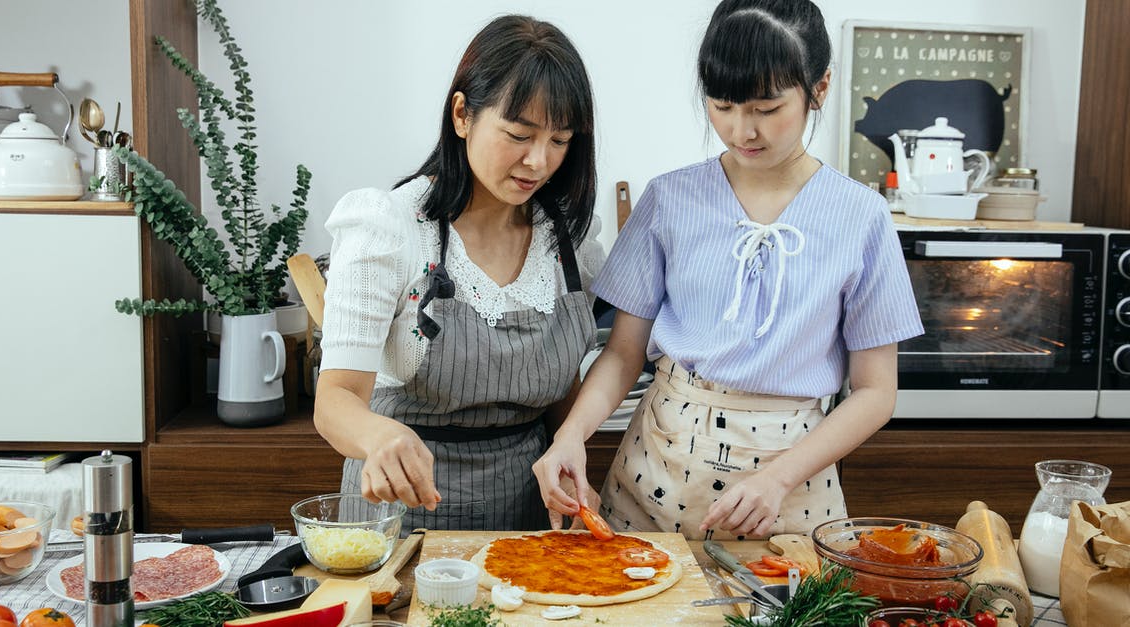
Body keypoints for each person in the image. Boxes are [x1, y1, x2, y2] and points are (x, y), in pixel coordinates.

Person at [533, 0, 924, 540]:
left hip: (791, 485)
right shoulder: (669, 199)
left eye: (767, 107)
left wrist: (778, 479)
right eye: (722, 105)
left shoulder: (862, 216)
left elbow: (877, 391)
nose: (743, 130)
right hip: (657, 473)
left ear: (820, 87)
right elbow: (623, 353)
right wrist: (572, 434)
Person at [313, 14, 604, 532]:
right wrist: (379, 438)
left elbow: (560, 390)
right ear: (463, 114)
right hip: (402, 510)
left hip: (528, 512)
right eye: (519, 134)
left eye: (560, 140)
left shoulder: (568, 242)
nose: (538, 161)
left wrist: (571, 460)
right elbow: (335, 401)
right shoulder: (391, 227)